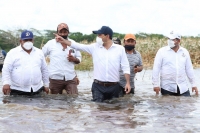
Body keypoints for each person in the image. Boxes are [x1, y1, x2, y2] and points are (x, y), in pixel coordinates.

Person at [54, 26, 131, 102]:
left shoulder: (119, 49)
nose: (98, 37)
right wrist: (63, 40)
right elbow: (78, 46)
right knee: (97, 109)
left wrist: (128, 83)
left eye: (100, 35)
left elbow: (125, 67)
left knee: (114, 109)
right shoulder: (94, 47)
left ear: (107, 36)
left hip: (114, 86)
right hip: (98, 86)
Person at [2, 30, 49, 96]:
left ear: (33, 40)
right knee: (17, 106)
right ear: (21, 41)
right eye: (26, 40)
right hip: (18, 90)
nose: (28, 42)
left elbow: (44, 69)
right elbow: (6, 69)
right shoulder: (12, 53)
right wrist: (6, 83)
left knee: (38, 106)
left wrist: (46, 84)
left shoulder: (39, 53)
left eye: (30, 40)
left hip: (37, 89)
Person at [152, 31, 198, 96]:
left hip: (183, 87)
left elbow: (189, 69)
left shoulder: (184, 52)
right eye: (168, 39)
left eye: (172, 39)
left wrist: (193, 84)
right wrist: (155, 84)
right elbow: (156, 68)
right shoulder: (162, 51)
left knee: (187, 105)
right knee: (167, 105)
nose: (169, 41)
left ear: (178, 41)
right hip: (167, 87)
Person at [42, 23, 81, 94]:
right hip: (55, 78)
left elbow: (79, 58)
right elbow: (41, 56)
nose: (63, 34)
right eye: (61, 32)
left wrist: (74, 59)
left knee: (74, 99)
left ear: (68, 32)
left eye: (65, 32)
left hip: (70, 78)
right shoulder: (50, 44)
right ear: (57, 33)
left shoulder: (73, 44)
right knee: (55, 101)